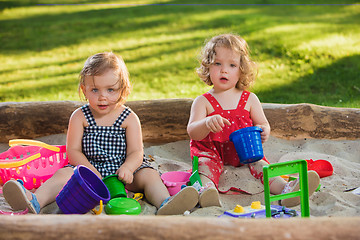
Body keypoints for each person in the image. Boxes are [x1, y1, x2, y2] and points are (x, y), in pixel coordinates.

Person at [3, 52, 198, 215]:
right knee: (62, 174)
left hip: (124, 173)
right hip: (87, 170)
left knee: (150, 175)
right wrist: (88, 170)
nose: (102, 96)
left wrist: (129, 169)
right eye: (95, 89)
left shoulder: (129, 118)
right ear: (84, 90)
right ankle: (35, 200)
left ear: (123, 90)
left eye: (110, 90)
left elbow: (137, 152)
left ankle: (165, 202)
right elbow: (73, 151)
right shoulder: (80, 117)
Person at [187, 34, 320, 208]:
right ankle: (207, 192)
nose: (224, 70)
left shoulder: (249, 99)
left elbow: (262, 124)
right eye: (217, 63)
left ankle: (286, 190)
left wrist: (264, 130)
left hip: (245, 152)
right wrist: (206, 123)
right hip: (213, 151)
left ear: (242, 70)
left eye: (232, 65)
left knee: (262, 166)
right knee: (205, 166)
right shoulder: (203, 101)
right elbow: (192, 131)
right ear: (207, 67)